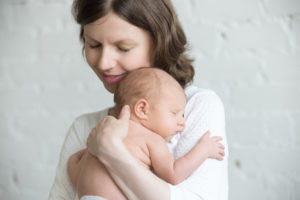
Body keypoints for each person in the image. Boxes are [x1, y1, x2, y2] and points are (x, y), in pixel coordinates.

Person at [49, 0, 228, 199]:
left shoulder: (198, 106)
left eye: (124, 48)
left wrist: (112, 152)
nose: (104, 62)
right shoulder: (83, 127)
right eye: (94, 45)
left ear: (159, 43)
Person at [67, 68, 225, 200]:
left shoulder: (105, 130)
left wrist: (78, 157)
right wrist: (203, 150)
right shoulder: (152, 139)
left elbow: (75, 174)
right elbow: (173, 174)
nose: (182, 122)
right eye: (175, 113)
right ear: (142, 109)